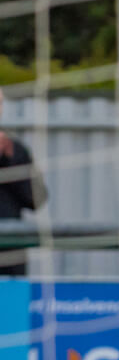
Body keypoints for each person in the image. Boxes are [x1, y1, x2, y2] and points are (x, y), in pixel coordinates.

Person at [0, 87, 48, 276]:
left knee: (11, 305)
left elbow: (37, 200)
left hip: (9, 260)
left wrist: (8, 160)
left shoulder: (15, 149)